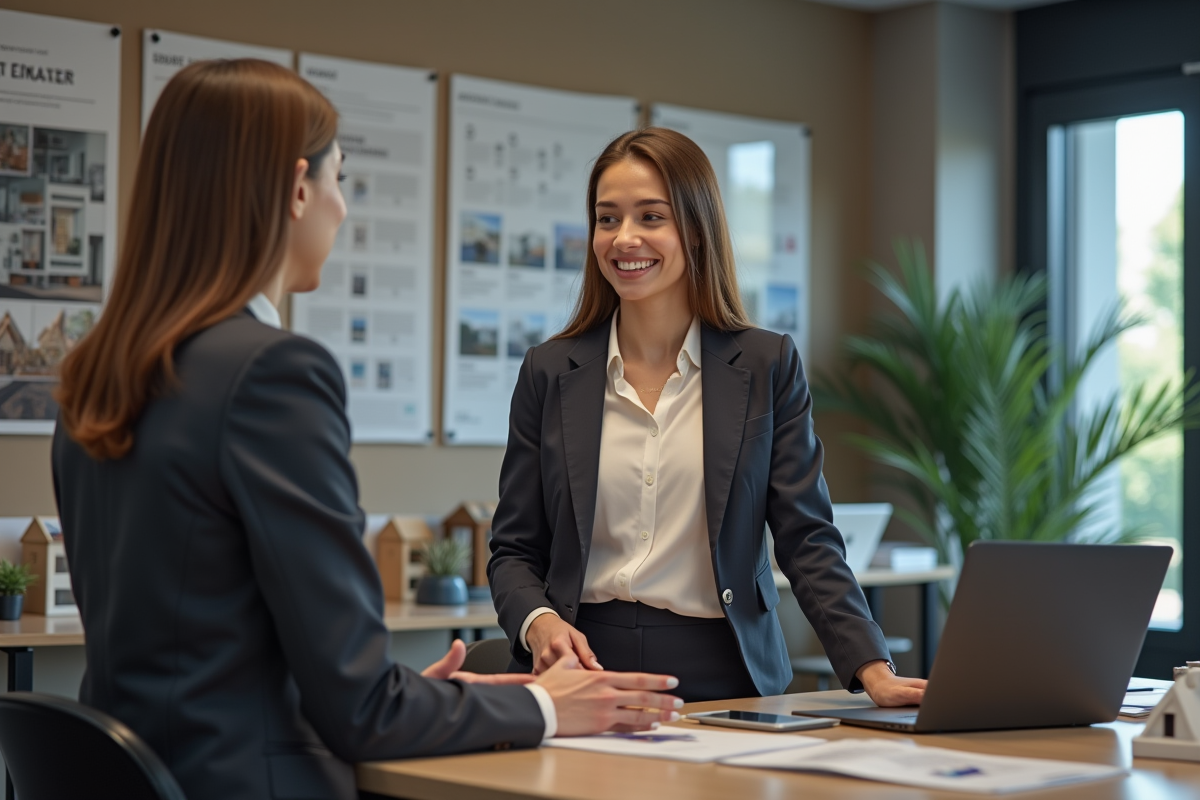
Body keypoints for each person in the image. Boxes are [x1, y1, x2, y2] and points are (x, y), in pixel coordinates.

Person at [51, 60, 680, 800]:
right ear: (297, 189)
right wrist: (547, 706)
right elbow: (361, 713)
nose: (342, 207)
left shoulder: (97, 373)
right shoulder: (270, 373)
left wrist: (417, 697)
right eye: (339, 178)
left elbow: (207, 659)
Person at [488, 127, 927, 706]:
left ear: (696, 229)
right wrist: (539, 621)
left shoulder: (767, 365)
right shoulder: (548, 371)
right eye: (607, 218)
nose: (624, 238)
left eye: (651, 217)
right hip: (583, 672)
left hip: (729, 674)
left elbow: (807, 539)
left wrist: (873, 667)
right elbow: (514, 549)